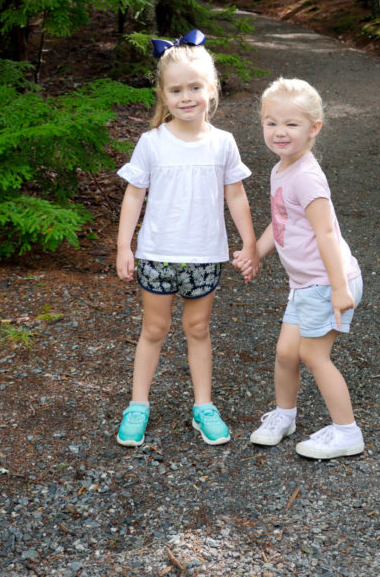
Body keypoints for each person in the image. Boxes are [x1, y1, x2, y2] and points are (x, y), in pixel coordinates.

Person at [115, 30, 257, 447]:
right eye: (176, 90)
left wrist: (248, 243)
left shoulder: (223, 143)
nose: (186, 96)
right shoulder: (152, 143)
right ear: (163, 94)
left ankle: (203, 405)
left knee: (198, 328)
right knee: (154, 329)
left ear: (211, 89)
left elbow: (236, 194)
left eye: (195, 87)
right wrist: (125, 246)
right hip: (157, 255)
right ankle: (138, 404)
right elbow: (133, 195)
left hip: (203, 257)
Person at [237, 77, 364, 460]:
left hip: (328, 283)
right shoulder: (282, 169)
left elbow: (326, 233)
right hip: (307, 284)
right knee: (286, 354)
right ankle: (285, 415)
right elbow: (282, 223)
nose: (279, 132)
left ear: (314, 129)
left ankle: (347, 432)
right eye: (271, 122)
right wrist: (256, 252)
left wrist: (339, 288)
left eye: (291, 124)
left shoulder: (307, 177)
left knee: (313, 355)